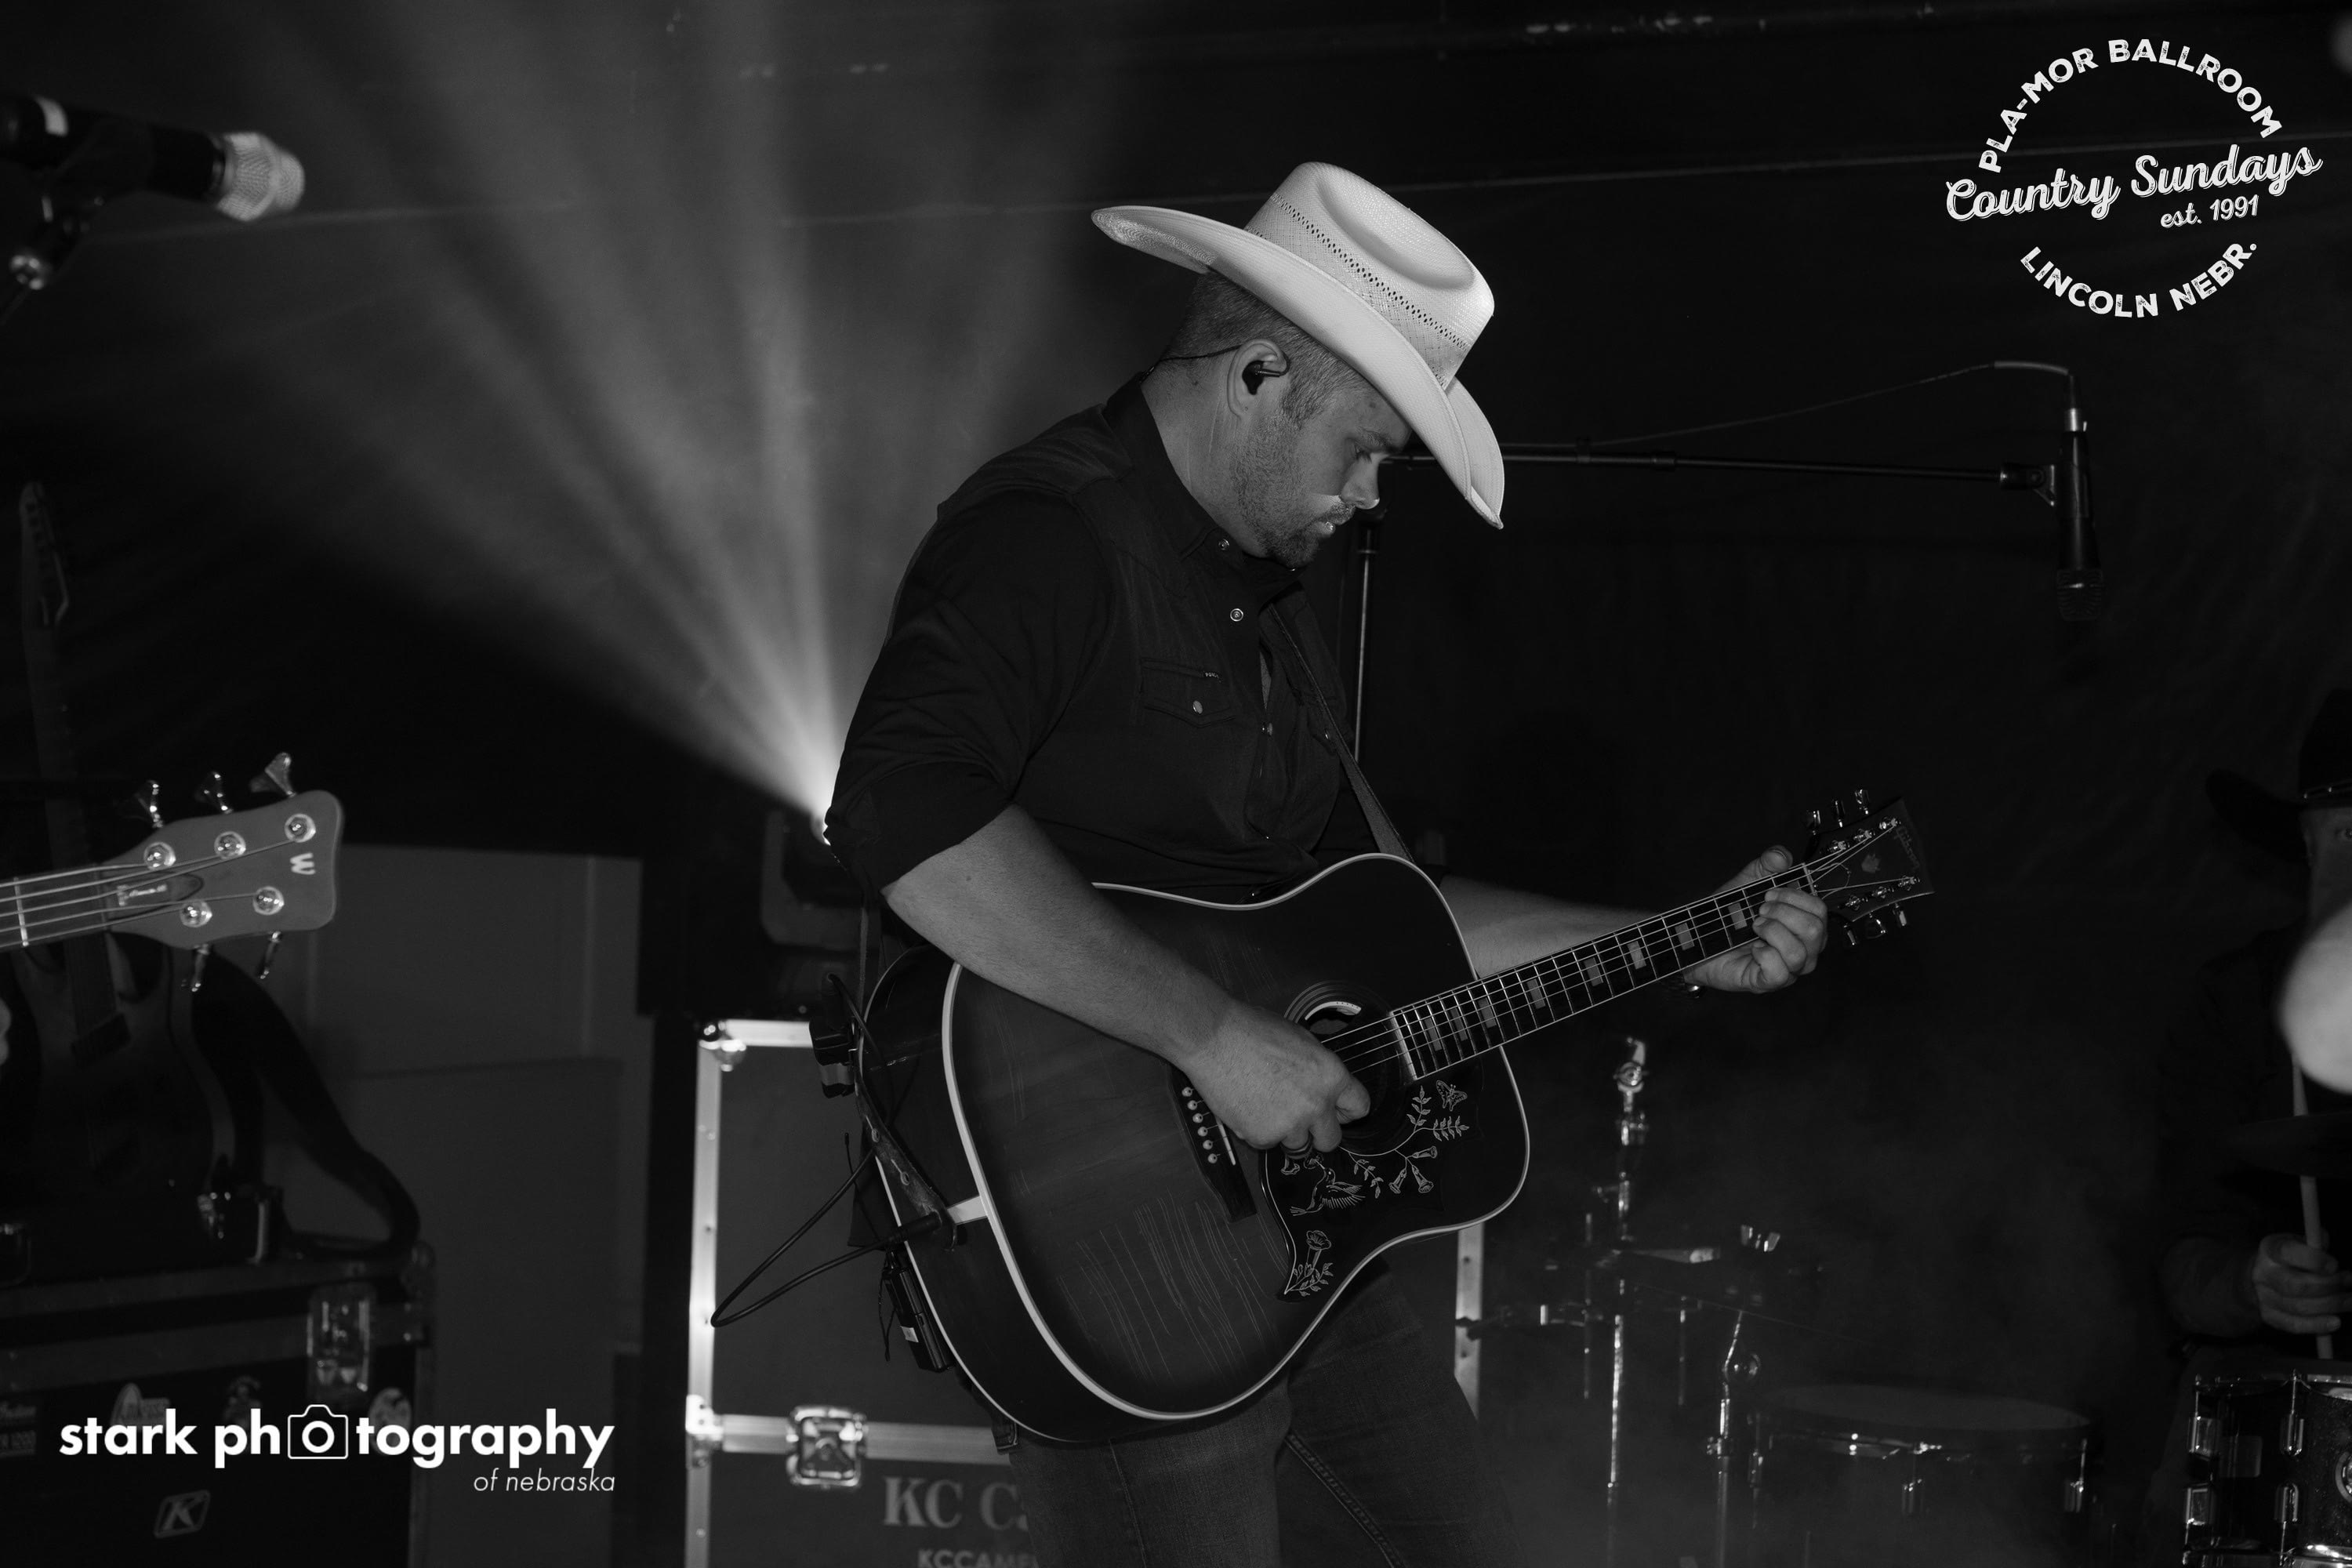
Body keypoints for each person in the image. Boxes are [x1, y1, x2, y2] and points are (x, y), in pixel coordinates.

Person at [825, 162, 1829, 1567]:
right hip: (1109, 1248)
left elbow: (1395, 925)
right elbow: (901, 819)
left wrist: (1674, 936)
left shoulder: (1263, 596)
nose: (1366, 496)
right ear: (1258, 376)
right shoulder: (1046, 537)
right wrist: (1211, 1036)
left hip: (1292, 1244)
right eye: (1362, 449)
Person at [2158, 689, 2352, 1345]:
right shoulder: (2237, 999)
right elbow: (2183, 1266)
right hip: (2292, 1393)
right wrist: (2252, 1283)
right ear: (2306, 845)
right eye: (2350, 833)